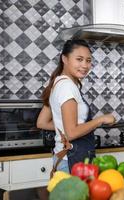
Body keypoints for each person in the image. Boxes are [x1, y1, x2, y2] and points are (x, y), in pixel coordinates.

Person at [37, 39, 115, 173]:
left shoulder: (57, 83)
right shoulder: (67, 86)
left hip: (63, 158)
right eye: (79, 59)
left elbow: (42, 123)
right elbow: (71, 133)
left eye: (88, 60)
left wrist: (64, 125)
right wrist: (100, 120)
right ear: (65, 59)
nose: (85, 65)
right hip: (72, 160)